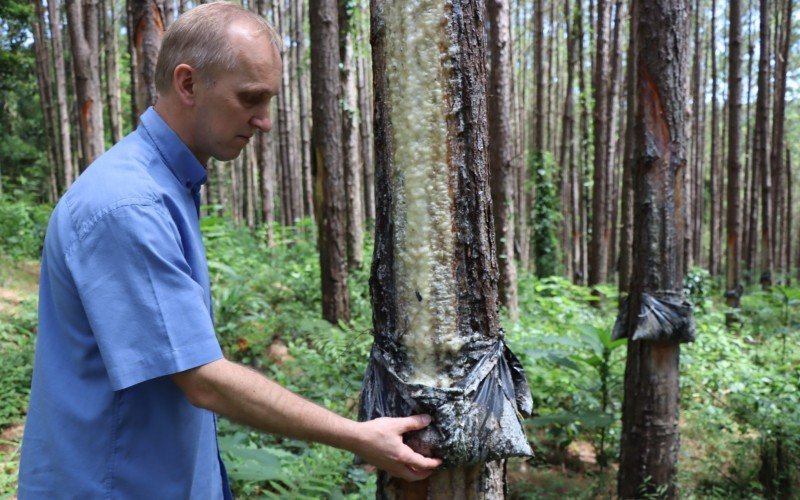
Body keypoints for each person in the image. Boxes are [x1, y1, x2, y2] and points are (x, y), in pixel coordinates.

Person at [17, 2, 440, 497]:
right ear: (188, 84)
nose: (264, 121)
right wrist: (358, 437)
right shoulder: (127, 205)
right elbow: (203, 379)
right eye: (250, 99)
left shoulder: (166, 187)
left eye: (269, 100)